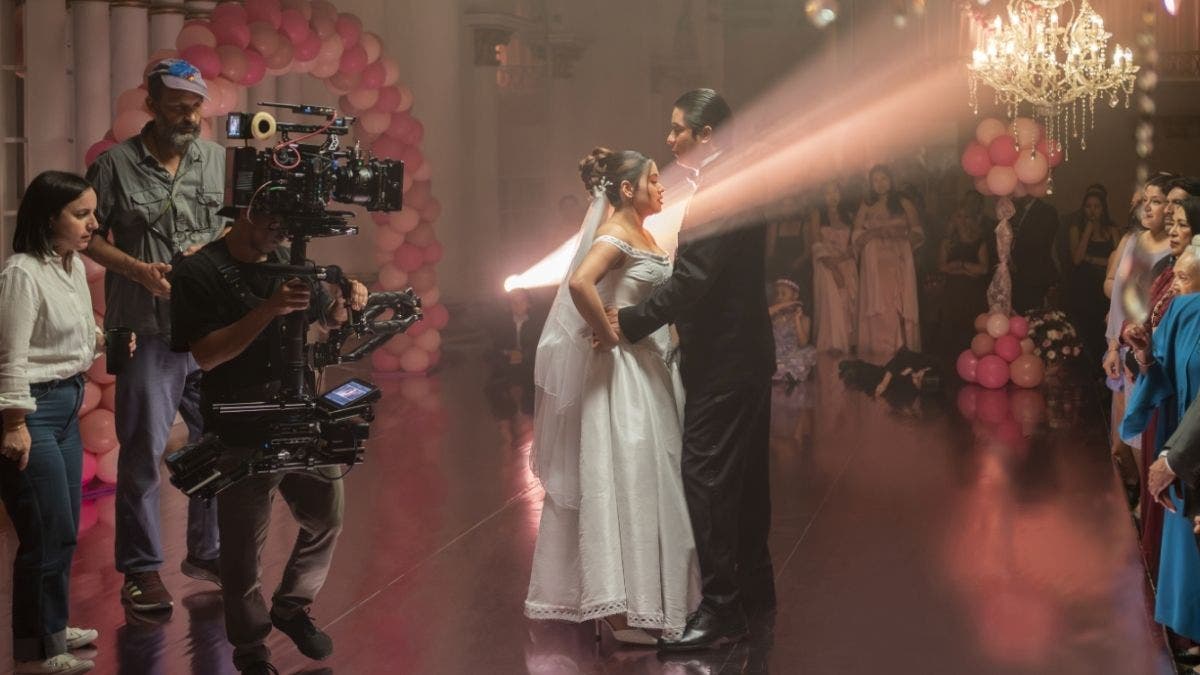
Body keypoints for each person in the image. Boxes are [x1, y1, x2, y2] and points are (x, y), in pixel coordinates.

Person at [169, 205, 367, 674]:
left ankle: (291, 606)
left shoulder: (291, 261)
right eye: (274, 223)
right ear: (247, 212)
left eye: (287, 226)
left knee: (327, 518)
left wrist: (345, 303)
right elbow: (206, 356)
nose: (281, 233)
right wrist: (268, 309)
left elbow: (327, 320)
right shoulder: (200, 271)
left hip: (302, 415)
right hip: (240, 425)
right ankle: (251, 649)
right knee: (242, 553)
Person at [611, 88, 776, 650]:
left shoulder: (723, 185)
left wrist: (632, 321)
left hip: (726, 360)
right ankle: (756, 592)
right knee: (747, 479)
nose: (670, 138)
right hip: (747, 353)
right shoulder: (738, 176)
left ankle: (723, 609)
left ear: (706, 134)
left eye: (678, 128)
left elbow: (694, 279)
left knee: (706, 477)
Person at [524, 147, 699, 644]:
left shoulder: (644, 233)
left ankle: (654, 598)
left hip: (654, 368)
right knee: (628, 477)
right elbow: (581, 282)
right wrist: (609, 333)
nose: (661, 187)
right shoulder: (616, 233)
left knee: (655, 476)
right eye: (653, 179)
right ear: (626, 189)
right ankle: (621, 611)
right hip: (624, 376)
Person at [84, 58, 226, 611]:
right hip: (145, 330)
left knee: (218, 439)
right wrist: (137, 270)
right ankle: (141, 571)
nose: (188, 116)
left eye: (195, 106)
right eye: (177, 106)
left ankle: (207, 552)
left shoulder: (216, 160)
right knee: (143, 452)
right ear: (151, 105)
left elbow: (234, 226)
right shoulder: (113, 165)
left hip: (208, 332)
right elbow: (87, 237)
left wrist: (211, 249)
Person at [0, 171, 119, 674]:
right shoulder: (22, 273)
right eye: (81, 214)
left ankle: (51, 627)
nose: (93, 224)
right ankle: (36, 651)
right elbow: (11, 356)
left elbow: (70, 338)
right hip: (34, 412)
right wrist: (13, 423)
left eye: (93, 213)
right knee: (44, 534)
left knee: (63, 531)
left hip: (67, 406)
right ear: (50, 218)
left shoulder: (70, 265)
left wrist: (104, 340)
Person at [1125, 204, 1200, 668]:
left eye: (1186, 280)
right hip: (1184, 438)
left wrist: (1173, 457)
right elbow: (1167, 373)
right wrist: (1145, 356)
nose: (1178, 288)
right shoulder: (1183, 311)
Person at [853, 163, 923, 356]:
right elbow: (857, 236)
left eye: (883, 179)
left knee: (897, 304)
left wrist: (898, 235)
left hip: (898, 261)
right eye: (875, 180)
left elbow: (918, 233)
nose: (880, 184)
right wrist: (874, 233)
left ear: (891, 180)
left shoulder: (903, 203)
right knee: (879, 305)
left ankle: (900, 351)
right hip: (875, 264)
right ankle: (879, 353)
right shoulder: (866, 205)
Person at [1063, 186, 1121, 363]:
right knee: (1085, 329)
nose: (1092, 210)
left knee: (1104, 328)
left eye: (1097, 206)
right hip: (1084, 287)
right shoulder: (1076, 229)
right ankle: (1091, 369)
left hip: (1104, 287)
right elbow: (1077, 259)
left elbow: (1118, 260)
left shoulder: (1112, 230)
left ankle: (1106, 365)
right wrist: (1088, 230)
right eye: (1088, 206)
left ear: (1103, 209)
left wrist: (1092, 259)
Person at [482, 288, 544, 444]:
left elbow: (539, 345)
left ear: (528, 304)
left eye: (521, 301)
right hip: (507, 362)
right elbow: (496, 345)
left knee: (532, 385)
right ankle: (506, 419)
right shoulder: (503, 323)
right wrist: (507, 353)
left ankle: (527, 414)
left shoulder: (536, 323)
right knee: (494, 385)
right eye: (513, 302)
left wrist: (524, 355)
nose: (517, 305)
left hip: (530, 363)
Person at [934, 194, 990, 354]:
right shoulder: (947, 242)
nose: (962, 220)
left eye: (966, 216)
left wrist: (961, 264)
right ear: (953, 219)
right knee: (951, 331)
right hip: (953, 292)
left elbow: (983, 269)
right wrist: (966, 270)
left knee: (972, 330)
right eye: (958, 216)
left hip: (973, 293)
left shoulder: (979, 241)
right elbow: (942, 267)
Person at [808, 179, 857, 353]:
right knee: (832, 302)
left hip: (846, 263)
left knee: (848, 302)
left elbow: (855, 244)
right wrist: (832, 265)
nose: (832, 196)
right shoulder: (817, 214)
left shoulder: (849, 215)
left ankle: (848, 344)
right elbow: (816, 243)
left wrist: (843, 258)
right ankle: (833, 344)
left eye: (835, 191)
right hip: (826, 265)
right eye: (827, 193)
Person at [1007, 193, 1060, 314]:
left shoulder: (1046, 211)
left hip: (1034, 276)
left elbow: (1041, 244)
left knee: (1031, 315)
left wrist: (1017, 262)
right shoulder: (1013, 211)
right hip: (1014, 277)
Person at [768, 278, 817, 383]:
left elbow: (803, 343)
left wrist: (797, 320)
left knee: (793, 363)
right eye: (777, 294)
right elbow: (764, 314)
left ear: (795, 296)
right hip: (774, 354)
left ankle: (787, 376)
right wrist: (784, 305)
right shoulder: (774, 315)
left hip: (791, 354)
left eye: (783, 293)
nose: (779, 297)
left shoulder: (804, 319)